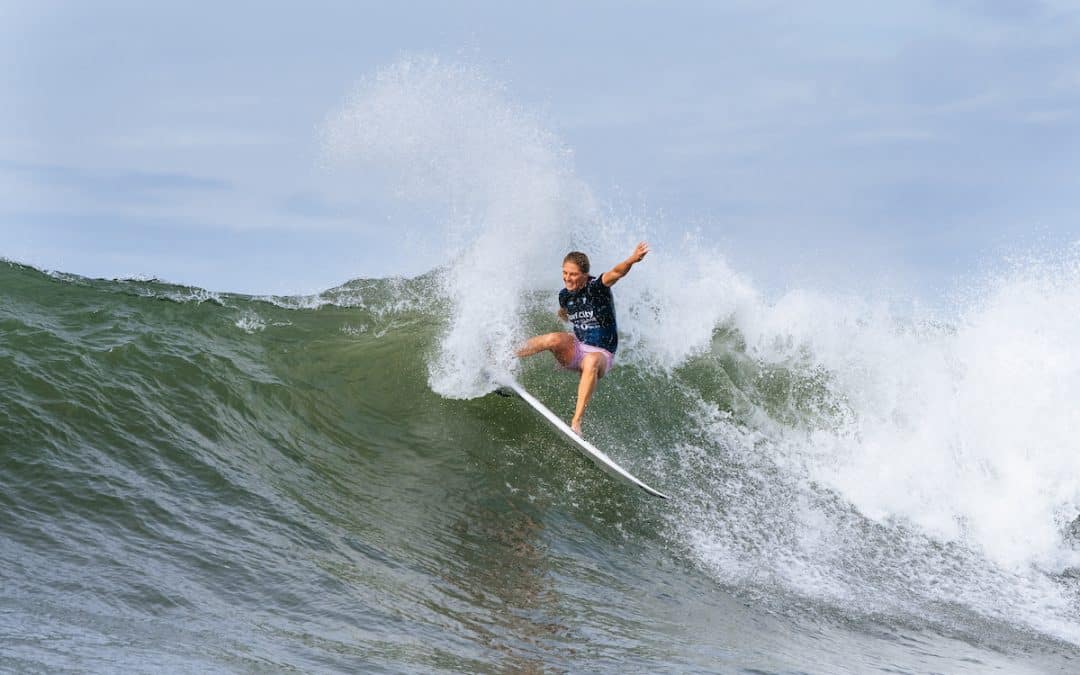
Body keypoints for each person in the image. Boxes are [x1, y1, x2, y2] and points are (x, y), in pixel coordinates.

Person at [515, 242, 649, 435]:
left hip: (600, 355)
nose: (567, 278)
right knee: (553, 338)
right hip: (576, 350)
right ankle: (503, 356)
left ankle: (576, 423)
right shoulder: (565, 296)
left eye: (573, 274)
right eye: (565, 273)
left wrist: (632, 260)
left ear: (585, 275)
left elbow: (615, 273)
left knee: (592, 360)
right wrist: (562, 315)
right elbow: (564, 311)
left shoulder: (597, 287)